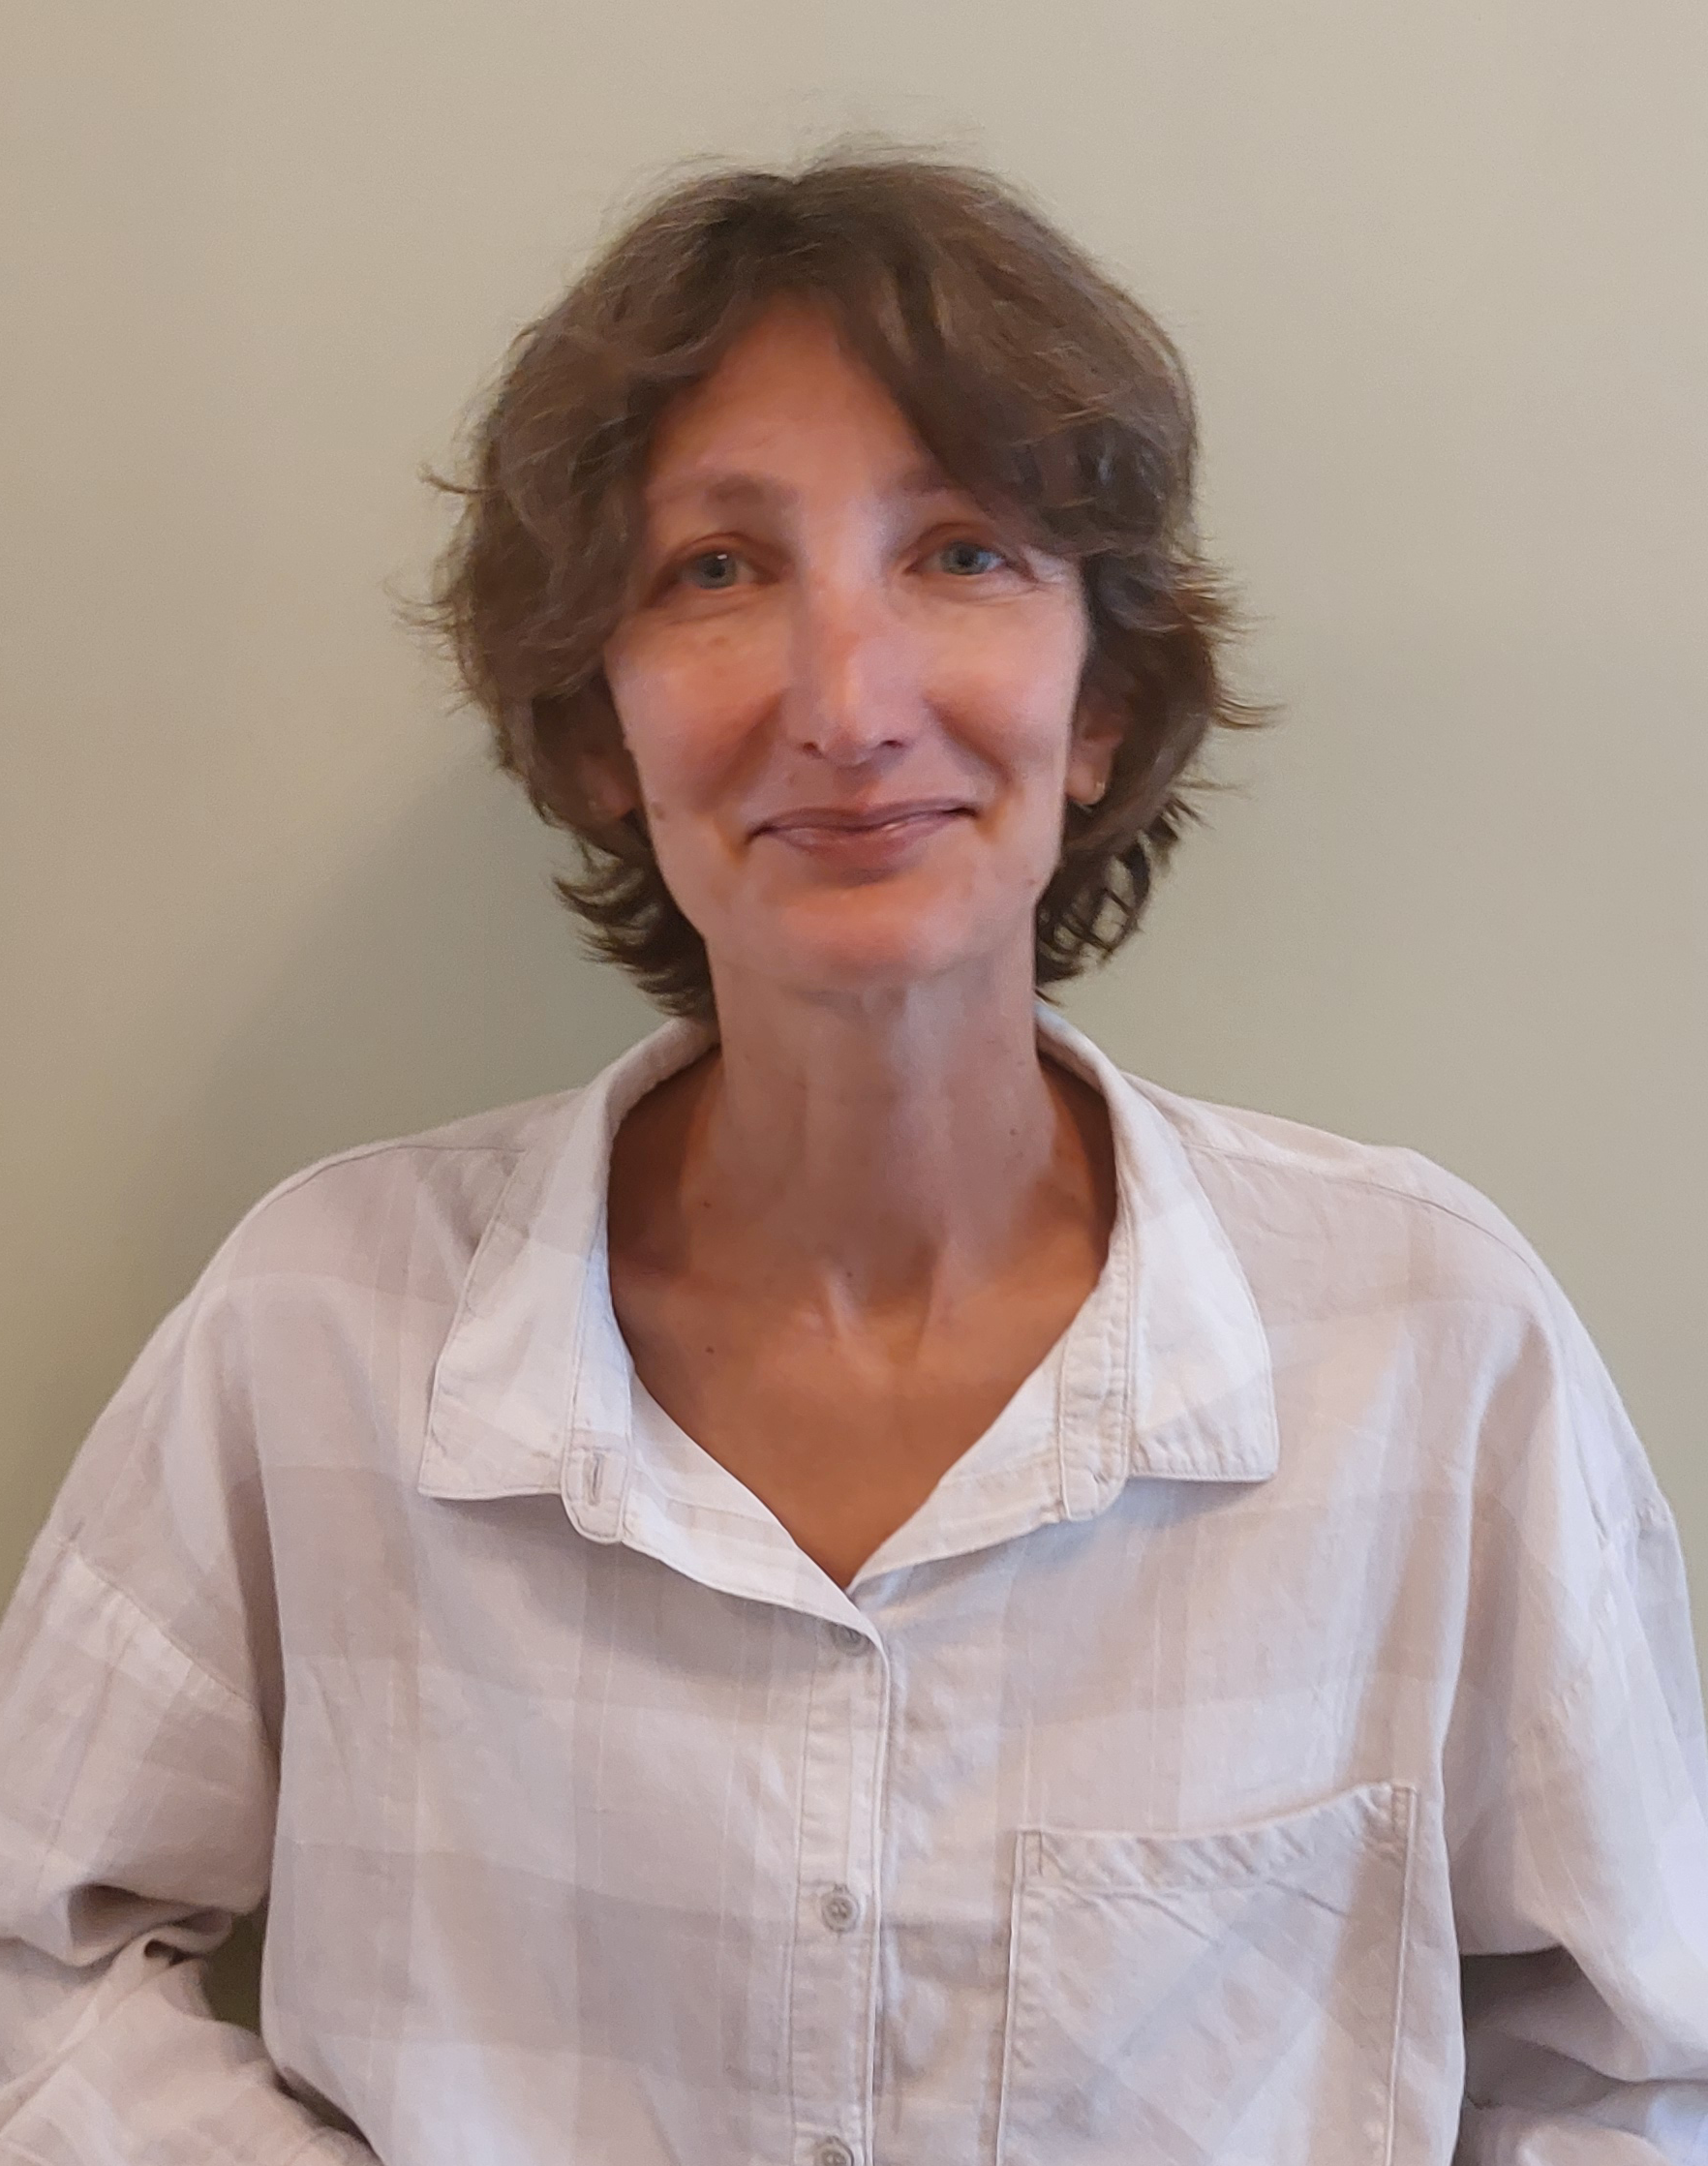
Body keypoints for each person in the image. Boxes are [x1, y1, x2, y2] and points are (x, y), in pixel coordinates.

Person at [1, 151, 1705, 2166]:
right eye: (717, 570)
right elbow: (38, 1964)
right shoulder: (321, 1332)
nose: (848, 701)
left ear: (1101, 701)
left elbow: (1633, 2073)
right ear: (595, 730)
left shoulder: (1430, 1348)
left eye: (962, 551)